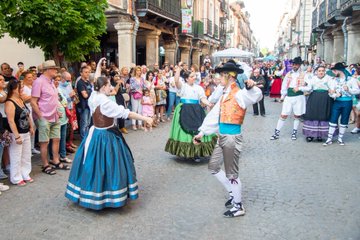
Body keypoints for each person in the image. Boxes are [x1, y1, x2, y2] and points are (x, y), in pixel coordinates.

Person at [65, 77, 153, 210]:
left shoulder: (94, 96)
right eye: (108, 85)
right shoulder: (106, 103)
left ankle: (89, 190)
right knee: (108, 164)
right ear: (103, 87)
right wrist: (145, 117)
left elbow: (96, 79)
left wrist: (99, 66)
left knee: (92, 163)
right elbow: (126, 113)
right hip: (105, 136)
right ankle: (106, 195)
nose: (111, 88)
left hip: (94, 133)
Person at [193, 60, 262, 218]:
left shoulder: (239, 93)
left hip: (232, 138)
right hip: (222, 137)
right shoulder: (225, 94)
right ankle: (233, 193)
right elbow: (215, 115)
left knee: (232, 174)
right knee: (213, 167)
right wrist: (202, 133)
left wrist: (252, 86)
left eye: (221, 76)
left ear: (229, 76)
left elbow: (255, 96)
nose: (218, 79)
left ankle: (238, 206)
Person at [165, 64, 215, 161]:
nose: (194, 78)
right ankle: (184, 151)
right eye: (192, 77)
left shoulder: (199, 88)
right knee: (185, 131)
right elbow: (176, 81)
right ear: (187, 79)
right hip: (184, 109)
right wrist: (178, 70)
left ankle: (196, 152)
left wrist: (208, 103)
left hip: (196, 110)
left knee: (198, 129)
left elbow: (203, 98)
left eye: (194, 76)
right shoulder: (183, 86)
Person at [31, 60, 70, 175]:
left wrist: (57, 111)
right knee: (44, 142)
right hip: (44, 117)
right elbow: (33, 102)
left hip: (54, 116)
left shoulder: (51, 82)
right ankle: (45, 165)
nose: (56, 71)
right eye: (54, 69)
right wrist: (40, 117)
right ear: (48, 70)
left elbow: (54, 98)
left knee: (56, 139)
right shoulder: (39, 82)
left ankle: (56, 161)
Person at [5, 79, 34, 186]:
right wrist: (16, 136)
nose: (22, 89)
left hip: (26, 132)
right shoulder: (10, 102)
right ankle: (16, 178)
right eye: (20, 87)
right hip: (16, 133)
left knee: (26, 155)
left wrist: (31, 126)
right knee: (16, 156)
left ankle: (25, 174)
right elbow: (11, 120)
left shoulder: (20, 99)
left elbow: (27, 114)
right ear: (13, 89)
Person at [323, 62, 360, 146]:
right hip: (337, 101)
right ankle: (329, 139)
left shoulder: (351, 79)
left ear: (338, 71)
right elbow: (330, 92)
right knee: (333, 118)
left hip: (347, 102)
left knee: (344, 119)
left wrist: (349, 90)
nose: (333, 73)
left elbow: (357, 90)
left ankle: (340, 138)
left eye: (334, 71)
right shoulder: (334, 80)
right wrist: (335, 94)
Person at [270, 57, 306, 141]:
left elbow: (309, 86)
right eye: (293, 64)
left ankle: (294, 132)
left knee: (297, 115)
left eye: (296, 64)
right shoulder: (288, 74)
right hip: (289, 97)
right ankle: (277, 132)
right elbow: (284, 85)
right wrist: (282, 96)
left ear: (299, 65)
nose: (294, 66)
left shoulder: (304, 74)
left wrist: (301, 88)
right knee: (283, 114)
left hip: (299, 97)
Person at [300, 66, 333, 142]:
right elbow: (309, 88)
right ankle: (310, 134)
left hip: (325, 97)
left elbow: (332, 88)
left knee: (323, 115)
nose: (321, 72)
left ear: (325, 71)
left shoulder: (329, 79)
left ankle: (320, 135)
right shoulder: (313, 79)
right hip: (314, 97)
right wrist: (300, 88)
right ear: (316, 72)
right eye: (319, 71)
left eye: (322, 71)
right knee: (312, 114)